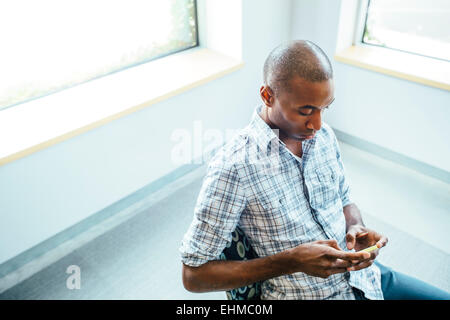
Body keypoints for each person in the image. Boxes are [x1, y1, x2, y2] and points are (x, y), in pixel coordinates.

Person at [179, 40, 450, 300]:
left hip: (366, 281)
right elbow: (193, 275)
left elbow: (344, 199)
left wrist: (356, 225)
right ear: (267, 95)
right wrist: (291, 261)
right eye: (306, 110)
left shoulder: (323, 137)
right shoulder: (234, 168)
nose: (318, 124)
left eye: (324, 108)